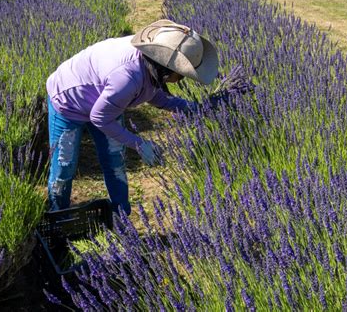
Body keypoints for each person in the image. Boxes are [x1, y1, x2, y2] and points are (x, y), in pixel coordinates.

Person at [45, 19, 219, 215]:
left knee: (114, 162)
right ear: (166, 67)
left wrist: (194, 108)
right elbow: (100, 118)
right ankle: (58, 216)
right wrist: (139, 143)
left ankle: (121, 219)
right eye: (181, 74)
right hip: (69, 103)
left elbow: (157, 96)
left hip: (106, 104)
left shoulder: (151, 63)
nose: (181, 80)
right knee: (64, 167)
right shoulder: (127, 77)